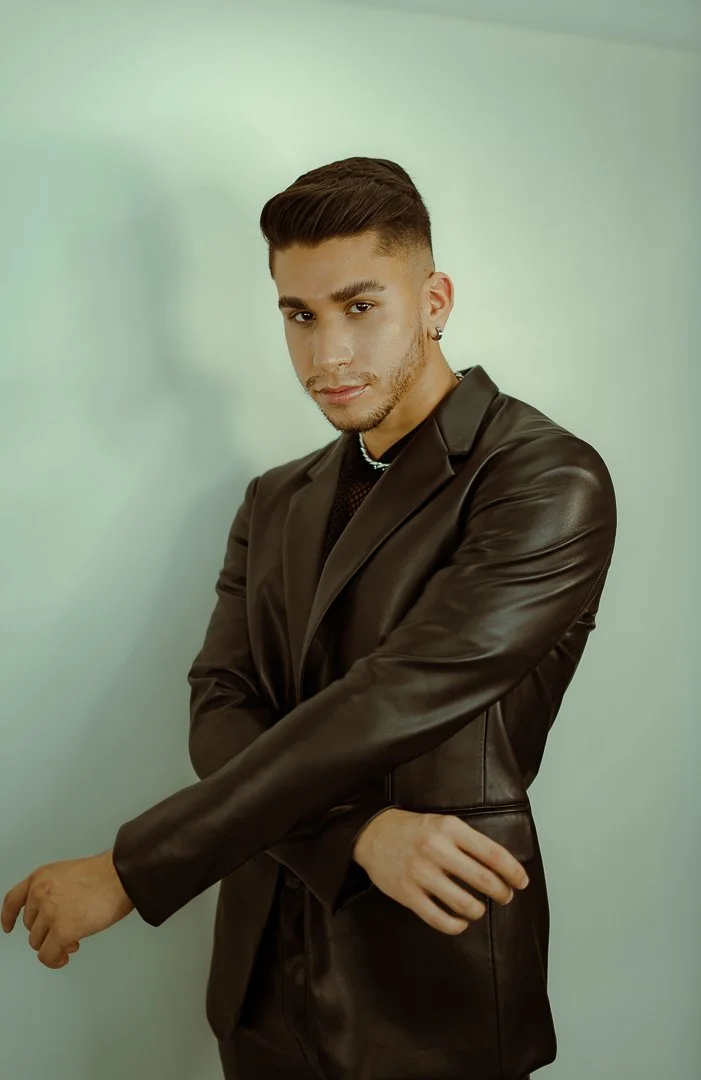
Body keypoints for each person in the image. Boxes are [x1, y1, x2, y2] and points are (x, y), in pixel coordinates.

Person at [1, 156, 617, 1080]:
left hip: (429, 995)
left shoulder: (545, 480)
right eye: (299, 315)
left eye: (360, 306)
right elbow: (220, 706)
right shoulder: (273, 498)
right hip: (258, 989)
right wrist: (355, 835)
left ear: (435, 301)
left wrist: (131, 870)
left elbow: (391, 697)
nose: (327, 356)